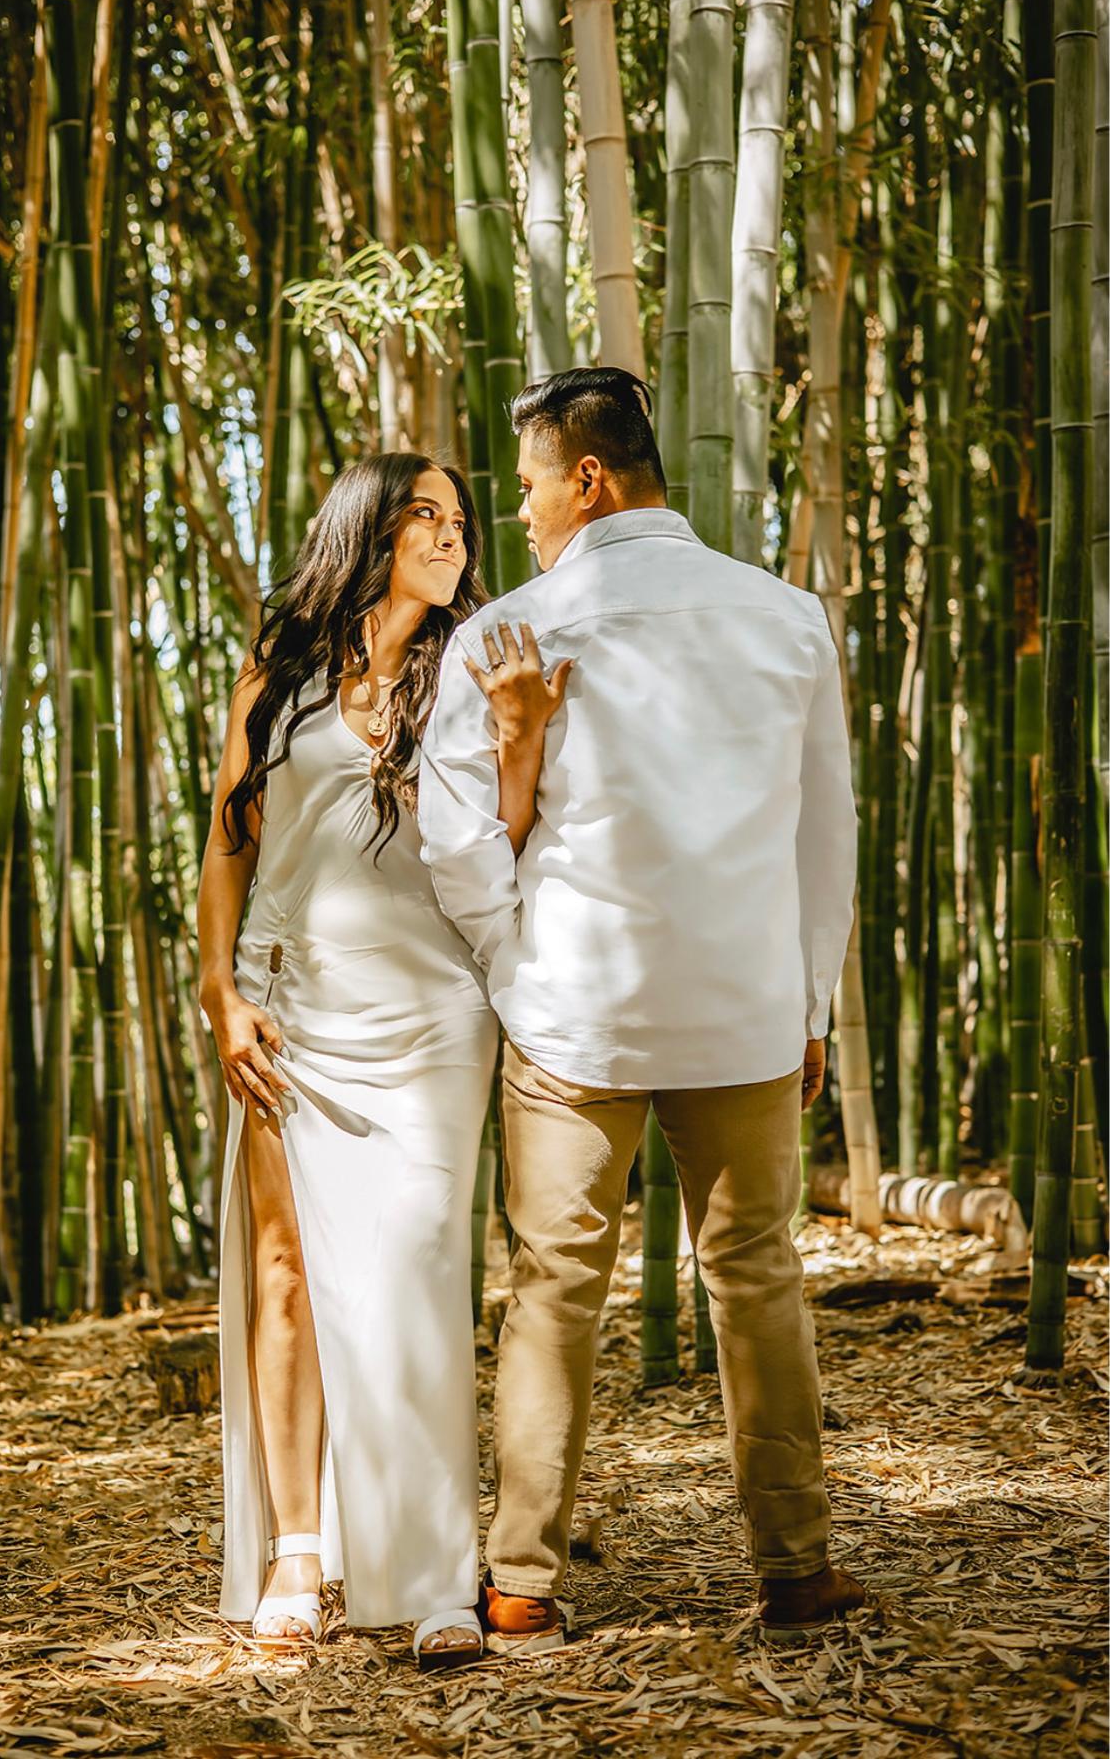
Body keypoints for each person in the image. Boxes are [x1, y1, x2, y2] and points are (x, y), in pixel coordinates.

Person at [418, 366, 867, 1648]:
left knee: (553, 1286)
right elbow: (823, 833)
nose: (519, 515)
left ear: (588, 479)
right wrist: (809, 1002)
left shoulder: (505, 632)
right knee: (757, 1277)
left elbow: (457, 841)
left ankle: (520, 1580)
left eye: (527, 488)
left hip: (572, 1015)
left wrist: (514, 966)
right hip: (743, 1011)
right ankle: (796, 1571)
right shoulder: (784, 616)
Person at [197, 454, 557, 1668]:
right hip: (289, 1000)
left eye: (461, 520)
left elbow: (496, 847)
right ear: (367, 531)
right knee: (287, 1271)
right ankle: (300, 1551)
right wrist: (219, 993)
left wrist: (521, 741)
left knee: (419, 1268)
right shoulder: (277, 674)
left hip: (432, 1012)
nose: (453, 537)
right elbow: (230, 843)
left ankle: (435, 1567)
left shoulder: (470, 667)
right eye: (425, 516)